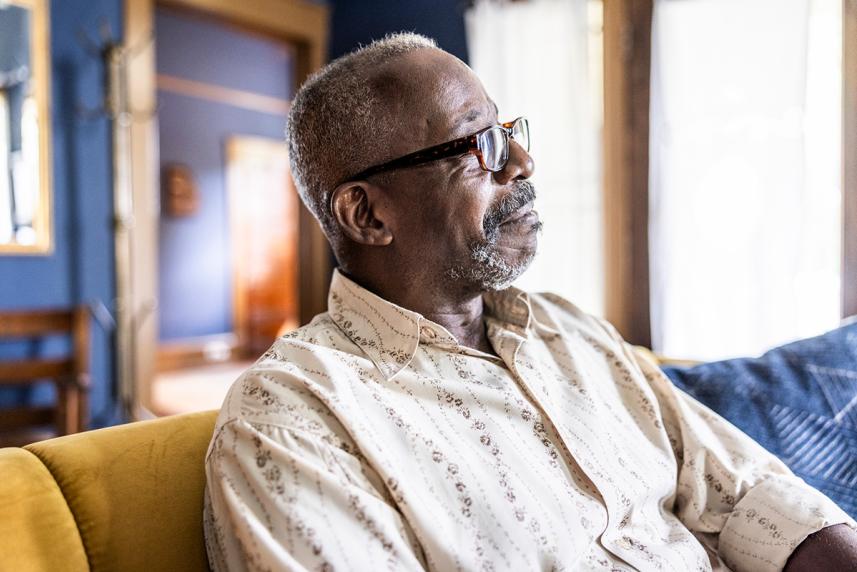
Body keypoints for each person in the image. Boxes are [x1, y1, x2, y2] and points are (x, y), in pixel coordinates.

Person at [203, 33, 857, 571]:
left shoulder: (571, 331)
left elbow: (747, 493)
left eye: (507, 131)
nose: (521, 162)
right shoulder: (291, 419)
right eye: (478, 144)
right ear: (368, 214)